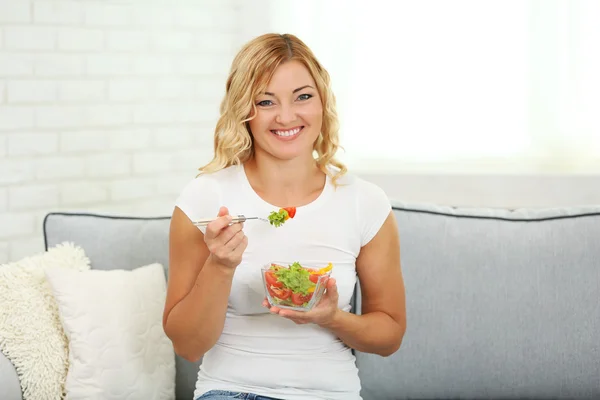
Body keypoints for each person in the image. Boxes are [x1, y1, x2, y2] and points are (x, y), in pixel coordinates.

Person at [163, 33, 406, 400]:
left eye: (303, 97)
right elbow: (188, 345)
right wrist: (221, 265)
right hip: (232, 390)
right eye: (266, 101)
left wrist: (332, 317)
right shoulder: (205, 199)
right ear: (244, 110)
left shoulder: (364, 202)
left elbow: (389, 337)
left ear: (322, 101)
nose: (287, 117)